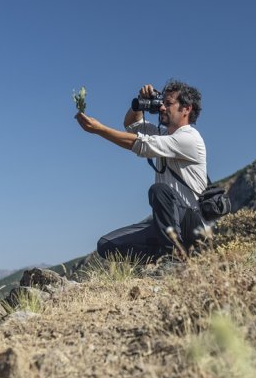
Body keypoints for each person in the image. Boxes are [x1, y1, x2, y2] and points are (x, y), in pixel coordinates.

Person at [75, 79, 208, 262]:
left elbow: (138, 143)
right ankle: (161, 258)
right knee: (106, 244)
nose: (162, 108)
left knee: (159, 191)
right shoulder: (163, 135)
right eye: (162, 103)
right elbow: (131, 125)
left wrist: (100, 130)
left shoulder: (189, 138)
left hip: (191, 224)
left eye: (168, 104)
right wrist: (140, 100)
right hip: (169, 224)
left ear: (187, 109)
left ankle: (175, 260)